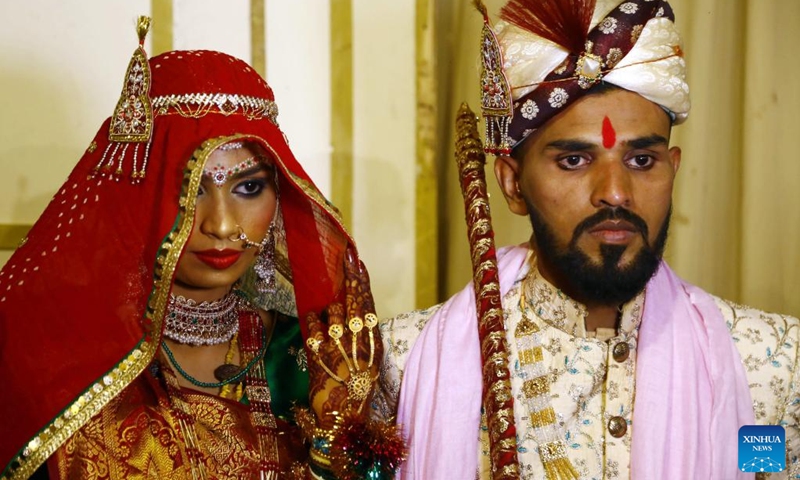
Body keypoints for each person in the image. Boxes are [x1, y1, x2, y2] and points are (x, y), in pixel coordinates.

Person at [375, 0, 800, 479]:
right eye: (574, 161)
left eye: (641, 161)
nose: (615, 193)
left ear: (673, 170)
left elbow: (759, 472)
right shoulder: (403, 361)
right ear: (513, 184)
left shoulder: (768, 364)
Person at [0, 17, 403, 480]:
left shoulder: (313, 359)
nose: (222, 224)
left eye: (249, 187)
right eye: (188, 189)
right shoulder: (53, 360)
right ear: (138, 198)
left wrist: (337, 437)